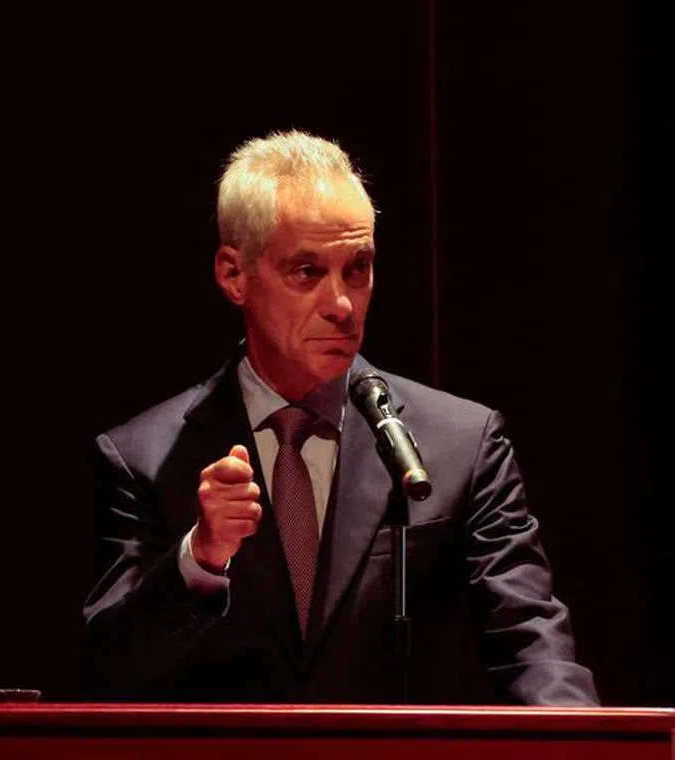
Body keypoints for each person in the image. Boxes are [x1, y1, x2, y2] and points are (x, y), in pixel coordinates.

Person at [82, 129, 598, 705]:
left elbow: (531, 643)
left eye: (358, 268)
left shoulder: (462, 445)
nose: (344, 304)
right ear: (234, 275)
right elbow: (110, 674)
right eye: (307, 272)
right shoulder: (144, 459)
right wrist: (200, 557)